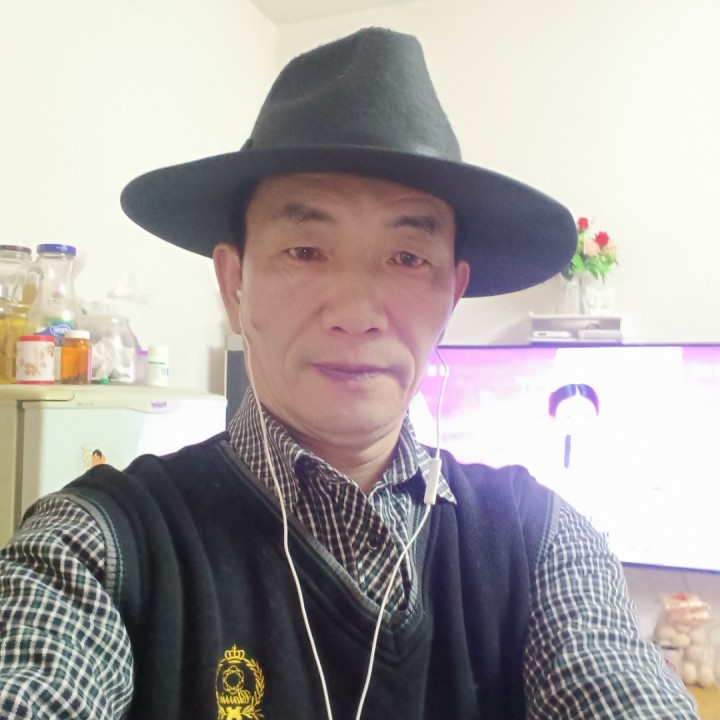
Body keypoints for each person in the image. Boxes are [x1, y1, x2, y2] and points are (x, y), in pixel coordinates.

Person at [0, 28, 699, 720]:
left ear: (451, 296)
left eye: (407, 258)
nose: (357, 313)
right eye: (305, 250)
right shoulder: (102, 548)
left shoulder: (539, 543)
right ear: (234, 283)